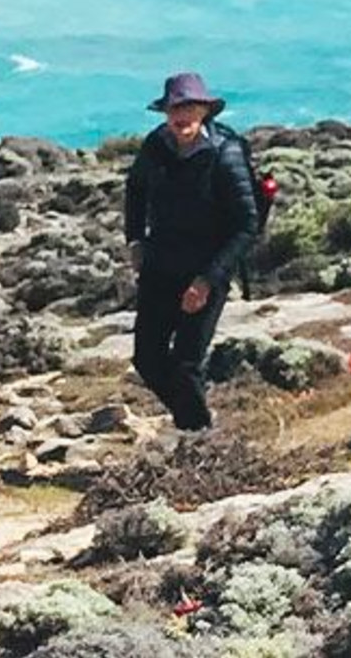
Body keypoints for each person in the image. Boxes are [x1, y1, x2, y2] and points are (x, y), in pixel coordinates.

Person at [123, 72, 258, 432]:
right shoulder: (156, 145)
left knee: (185, 364)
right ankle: (196, 427)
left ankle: (199, 440)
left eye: (189, 106)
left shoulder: (226, 155)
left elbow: (246, 225)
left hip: (206, 271)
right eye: (174, 108)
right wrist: (135, 239)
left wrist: (208, 280)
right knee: (148, 359)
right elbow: (134, 189)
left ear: (204, 110)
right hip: (160, 266)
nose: (181, 115)